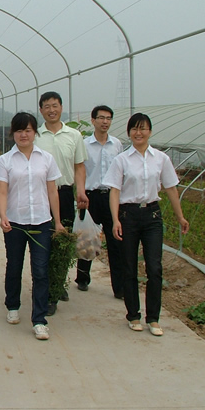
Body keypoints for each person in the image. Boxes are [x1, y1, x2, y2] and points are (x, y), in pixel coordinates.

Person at [104, 113, 189, 337]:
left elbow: (171, 188)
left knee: (154, 267)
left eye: (143, 128)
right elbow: (115, 191)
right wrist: (115, 220)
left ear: (150, 131)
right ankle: (133, 315)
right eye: (134, 129)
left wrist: (180, 217)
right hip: (128, 216)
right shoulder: (121, 160)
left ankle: (153, 318)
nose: (138, 133)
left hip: (152, 215)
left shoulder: (161, 159)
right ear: (129, 132)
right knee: (129, 266)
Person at [0, 112, 64, 341]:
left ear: (35, 133)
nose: (23, 135)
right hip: (15, 222)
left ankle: (39, 320)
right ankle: (13, 306)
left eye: (28, 130)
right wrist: (3, 216)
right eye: (19, 130)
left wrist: (57, 221)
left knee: (40, 270)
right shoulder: (6, 160)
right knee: (14, 265)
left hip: (41, 222)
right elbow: (2, 191)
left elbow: (52, 191)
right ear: (12, 133)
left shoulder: (46, 158)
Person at [34, 91, 89, 315]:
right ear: (41, 110)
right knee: (42, 243)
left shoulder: (74, 135)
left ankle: (56, 286)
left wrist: (80, 191)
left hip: (64, 193)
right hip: (40, 196)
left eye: (55, 105)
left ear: (61, 107)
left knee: (62, 242)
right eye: (47, 106)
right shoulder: (35, 135)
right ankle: (46, 287)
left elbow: (79, 166)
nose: (51, 110)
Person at [84, 105, 125, 299]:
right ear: (93, 120)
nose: (105, 122)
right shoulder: (84, 145)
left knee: (115, 242)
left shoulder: (116, 145)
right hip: (91, 196)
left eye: (108, 118)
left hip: (111, 197)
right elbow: (80, 170)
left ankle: (119, 287)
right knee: (88, 239)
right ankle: (82, 278)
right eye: (101, 118)